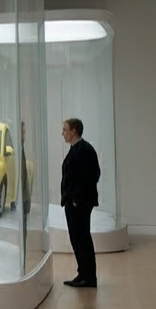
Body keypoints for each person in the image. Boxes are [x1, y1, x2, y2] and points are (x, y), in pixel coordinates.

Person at [60, 117, 101, 287]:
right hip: (74, 202)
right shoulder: (76, 149)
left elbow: (92, 175)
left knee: (82, 237)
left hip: (80, 203)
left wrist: (77, 198)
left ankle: (88, 276)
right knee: (77, 237)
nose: (62, 133)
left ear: (73, 131)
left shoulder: (84, 150)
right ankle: (83, 272)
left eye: (65, 129)